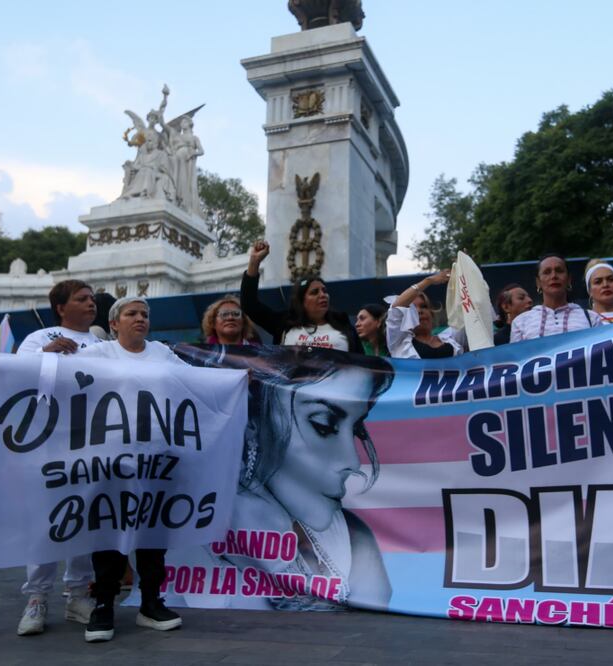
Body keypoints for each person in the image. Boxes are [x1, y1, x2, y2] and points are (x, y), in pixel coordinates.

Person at [188, 345, 394, 610]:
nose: (352, 461)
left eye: (356, 428)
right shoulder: (185, 527)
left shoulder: (354, 538)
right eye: (324, 424)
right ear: (250, 419)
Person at [78, 296, 184, 642]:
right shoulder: (98, 354)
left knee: (153, 530)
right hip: (111, 458)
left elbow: (194, 381)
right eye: (131, 313)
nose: (140, 319)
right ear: (114, 323)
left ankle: (151, 602)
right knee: (110, 529)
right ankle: (103, 604)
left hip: (156, 456)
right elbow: (56, 374)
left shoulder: (163, 354)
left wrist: (236, 378)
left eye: (145, 314)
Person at [16, 280, 101, 637]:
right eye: (82, 299)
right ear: (61, 307)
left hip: (93, 440)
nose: (91, 304)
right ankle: (36, 598)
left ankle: (79, 592)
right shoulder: (40, 336)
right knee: (46, 517)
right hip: (48, 440)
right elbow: (16, 373)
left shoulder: (104, 345)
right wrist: (48, 353)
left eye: (93, 299)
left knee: (86, 516)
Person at [241, 240, 361, 352]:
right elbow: (250, 305)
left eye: (324, 291)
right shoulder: (284, 323)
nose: (323, 295)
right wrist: (254, 262)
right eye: (315, 292)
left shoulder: (342, 323)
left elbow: (362, 362)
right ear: (301, 300)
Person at [511, 253, 604, 341]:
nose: (554, 276)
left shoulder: (592, 319)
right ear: (538, 282)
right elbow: (515, 357)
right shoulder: (520, 323)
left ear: (569, 279)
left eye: (559, 271)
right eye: (547, 272)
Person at [386, 269, 463, 358]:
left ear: (431, 313)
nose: (420, 311)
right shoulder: (398, 343)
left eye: (424, 306)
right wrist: (429, 281)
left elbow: (470, 315)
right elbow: (396, 308)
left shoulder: (451, 338)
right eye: (413, 309)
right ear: (404, 319)